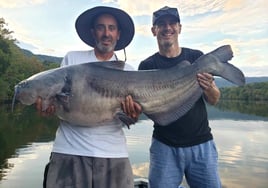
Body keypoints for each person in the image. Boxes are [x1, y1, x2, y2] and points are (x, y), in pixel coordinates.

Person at [36, 6, 141, 188]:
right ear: (93, 32)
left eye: (111, 28)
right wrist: (47, 109)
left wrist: (133, 114)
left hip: (113, 153)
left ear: (118, 34)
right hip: (69, 151)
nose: (106, 33)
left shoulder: (129, 72)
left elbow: (131, 118)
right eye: (101, 27)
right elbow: (56, 103)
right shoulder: (72, 60)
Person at [138, 6, 221, 188]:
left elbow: (214, 99)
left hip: (202, 144)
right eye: (161, 24)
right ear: (154, 31)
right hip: (164, 146)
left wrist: (209, 88)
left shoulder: (197, 58)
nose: (167, 28)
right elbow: (143, 106)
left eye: (172, 23)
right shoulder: (147, 66)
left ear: (179, 28)